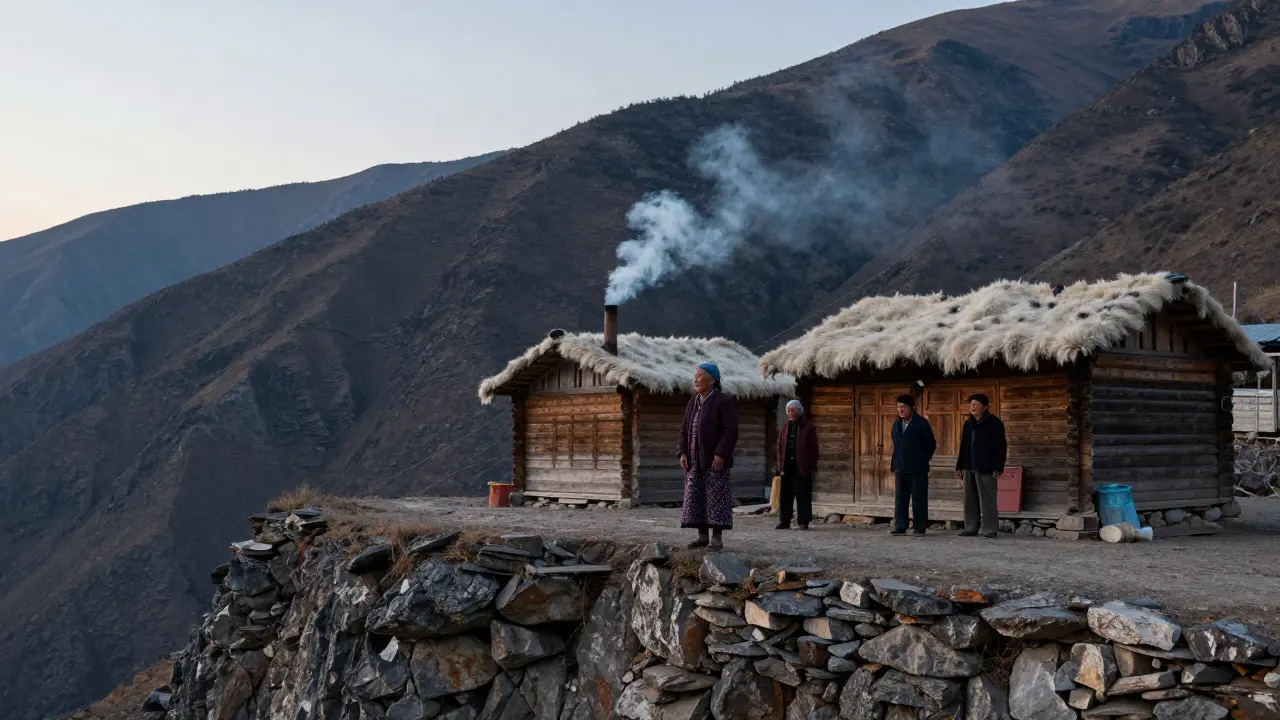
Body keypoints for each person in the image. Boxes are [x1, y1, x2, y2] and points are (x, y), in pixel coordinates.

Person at [678, 362, 739, 550]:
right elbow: (684, 430)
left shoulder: (722, 401)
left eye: (699, 375)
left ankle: (717, 539)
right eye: (694, 375)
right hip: (695, 459)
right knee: (697, 497)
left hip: (713, 460)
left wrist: (720, 454)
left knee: (716, 497)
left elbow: (731, 431)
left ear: (712, 380)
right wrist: (682, 452)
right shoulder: (692, 403)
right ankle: (702, 537)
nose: (695, 379)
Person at [956, 393, 1007, 539]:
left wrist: (998, 467)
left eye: (976, 404)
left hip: (986, 466)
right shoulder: (968, 424)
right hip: (969, 465)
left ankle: (990, 529)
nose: (972, 407)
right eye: (971, 404)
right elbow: (963, 447)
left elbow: (1001, 447)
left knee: (988, 499)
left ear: (984, 407)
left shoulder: (995, 423)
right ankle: (971, 527)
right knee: (969, 499)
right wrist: (959, 466)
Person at [889, 393, 936, 536]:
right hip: (900, 467)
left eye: (903, 407)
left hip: (917, 468)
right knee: (900, 500)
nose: (900, 410)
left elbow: (930, 445)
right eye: (898, 407)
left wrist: (921, 459)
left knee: (919, 499)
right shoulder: (897, 424)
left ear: (912, 408)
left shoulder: (921, 423)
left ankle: (919, 528)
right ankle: (900, 526)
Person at [775, 399, 819, 530]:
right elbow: (780, 445)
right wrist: (779, 464)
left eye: (792, 410)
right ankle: (784, 521)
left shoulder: (808, 427)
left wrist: (812, 466)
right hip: (787, 465)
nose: (790, 413)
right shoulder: (785, 426)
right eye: (788, 410)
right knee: (785, 495)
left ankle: (803, 521)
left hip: (802, 466)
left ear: (799, 411)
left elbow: (814, 448)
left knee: (803, 494)